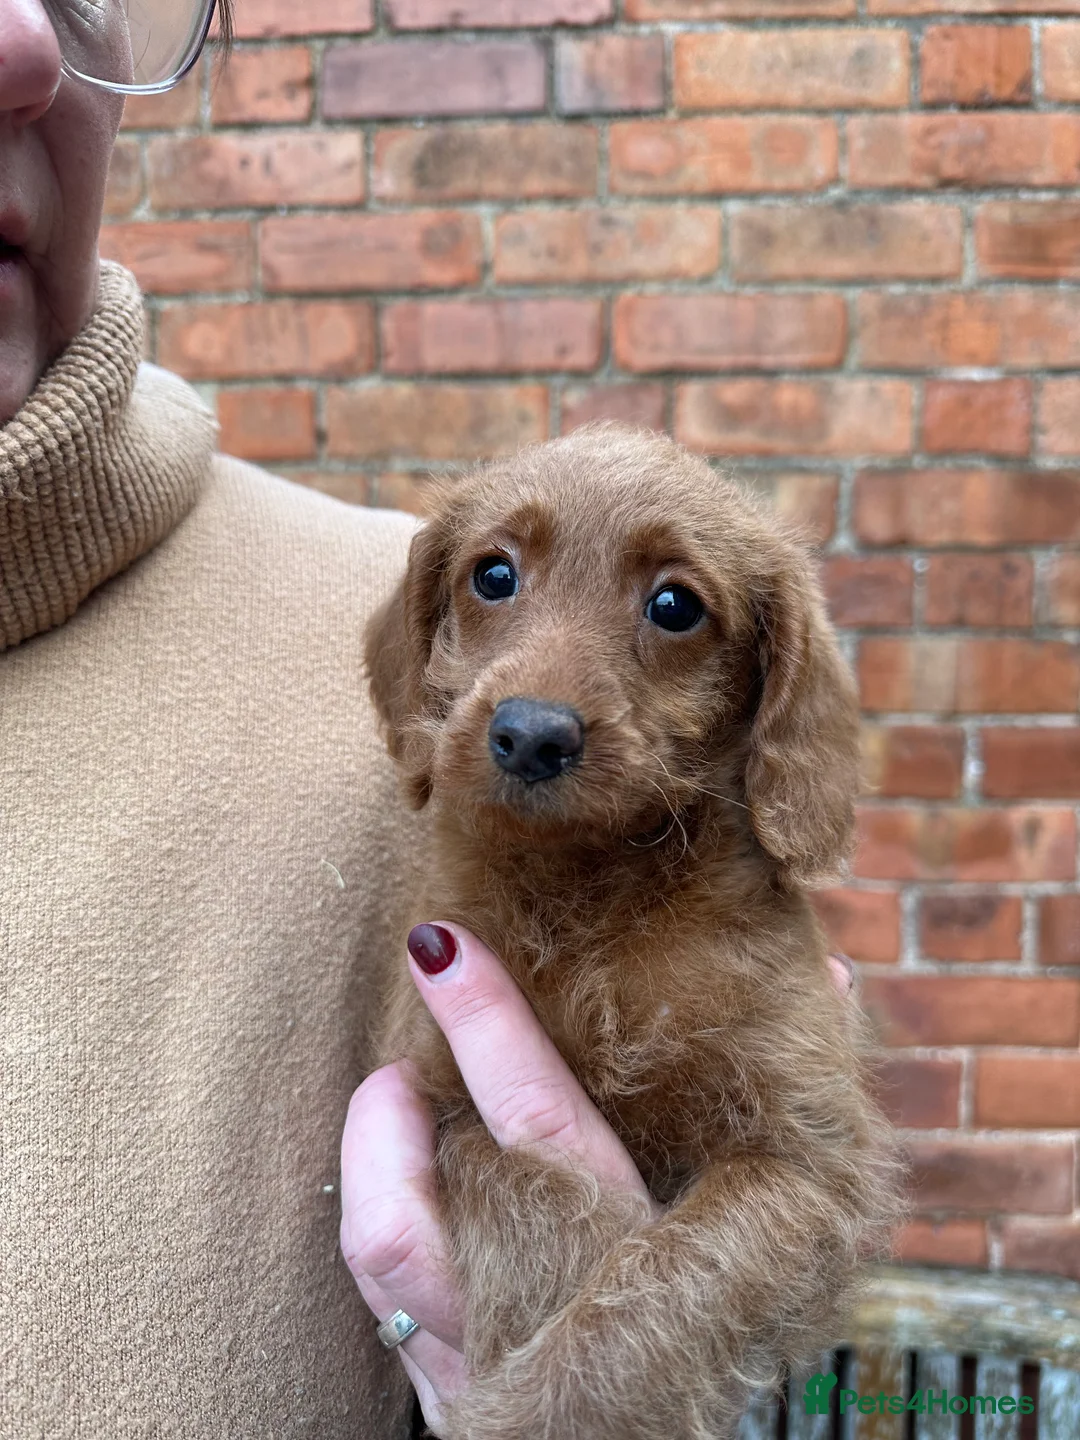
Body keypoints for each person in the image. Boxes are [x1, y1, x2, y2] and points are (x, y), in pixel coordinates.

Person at [0, 4, 857, 1435]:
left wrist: (580, 1386)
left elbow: (806, 1201)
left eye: (671, 610)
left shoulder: (376, 639)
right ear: (441, 630)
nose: (20, 38)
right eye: (499, 583)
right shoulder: (417, 671)